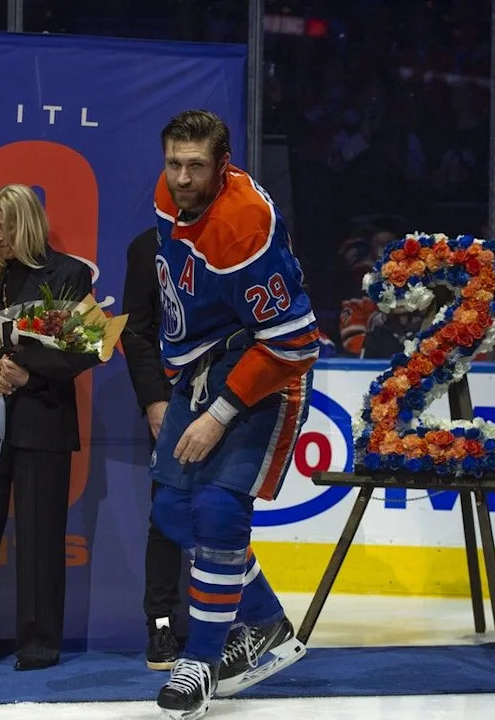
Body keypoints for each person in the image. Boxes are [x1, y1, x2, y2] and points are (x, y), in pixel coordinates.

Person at [149, 110, 319, 720]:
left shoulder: (245, 224)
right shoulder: (168, 194)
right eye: (175, 164)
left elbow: (295, 342)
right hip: (198, 366)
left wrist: (220, 412)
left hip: (261, 371)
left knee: (218, 510)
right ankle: (267, 622)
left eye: (197, 166)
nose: (183, 178)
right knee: (171, 508)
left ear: (224, 166)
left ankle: (201, 660)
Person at [0, 184, 92, 671]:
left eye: (5, 227)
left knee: (40, 536)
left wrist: (31, 374)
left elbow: (81, 353)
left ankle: (38, 644)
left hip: (42, 421)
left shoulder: (70, 274)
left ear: (27, 224)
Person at [121, 226, 186, 670]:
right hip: (172, 401)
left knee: (227, 515)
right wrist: (153, 400)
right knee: (167, 514)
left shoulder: (237, 237)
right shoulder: (146, 247)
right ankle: (160, 625)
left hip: (230, 395)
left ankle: (238, 621)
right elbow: (135, 331)